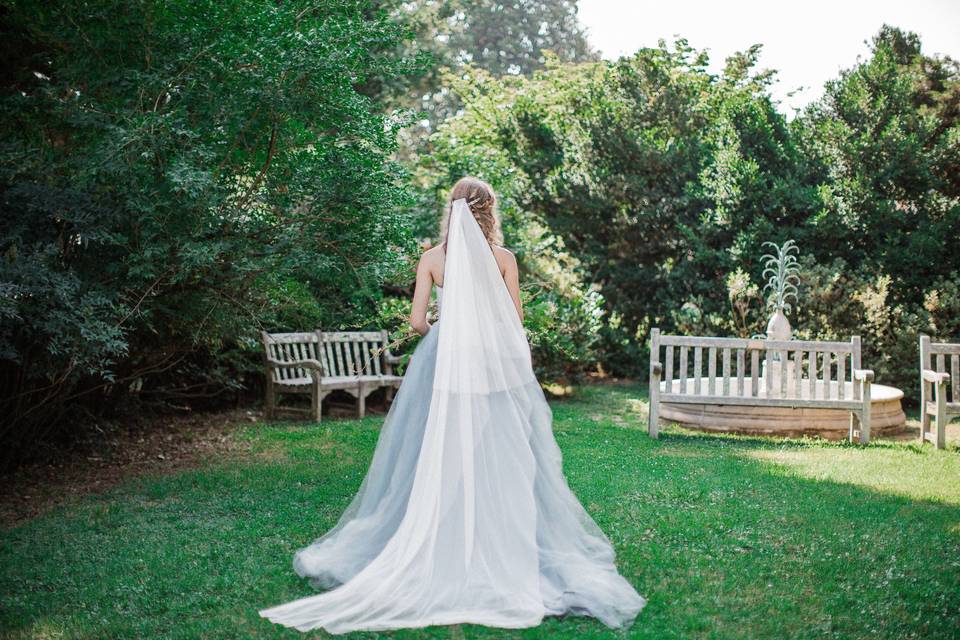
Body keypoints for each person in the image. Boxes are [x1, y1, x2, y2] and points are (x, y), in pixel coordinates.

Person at [260, 176, 645, 634]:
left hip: (446, 368)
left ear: (453, 210)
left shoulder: (432, 260)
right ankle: (496, 539)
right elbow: (514, 322)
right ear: (488, 211)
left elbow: (418, 321)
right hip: (492, 368)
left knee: (440, 450)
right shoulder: (503, 259)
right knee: (497, 453)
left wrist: (446, 336)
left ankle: (441, 534)